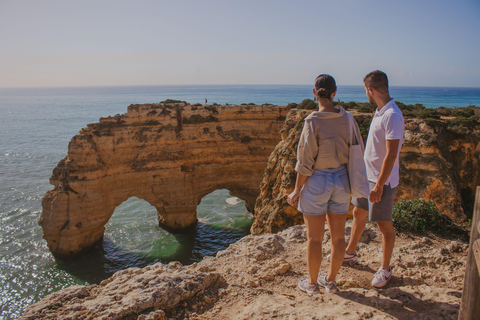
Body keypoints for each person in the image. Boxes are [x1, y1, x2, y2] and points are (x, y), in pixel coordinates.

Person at [287, 74, 365, 295]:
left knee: (314, 238)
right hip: (341, 179)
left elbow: (305, 161)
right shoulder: (348, 118)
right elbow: (356, 148)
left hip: (317, 180)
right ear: (335, 92)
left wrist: (296, 190)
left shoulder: (312, 121)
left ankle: (312, 284)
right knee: (338, 236)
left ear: (314, 92)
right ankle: (330, 281)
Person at [337, 70, 405, 288]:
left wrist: (378, 186)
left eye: (365, 90)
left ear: (370, 90)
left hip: (381, 181)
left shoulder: (392, 115)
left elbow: (391, 155)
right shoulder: (379, 112)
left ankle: (385, 269)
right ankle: (350, 253)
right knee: (358, 212)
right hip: (368, 178)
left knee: (384, 225)